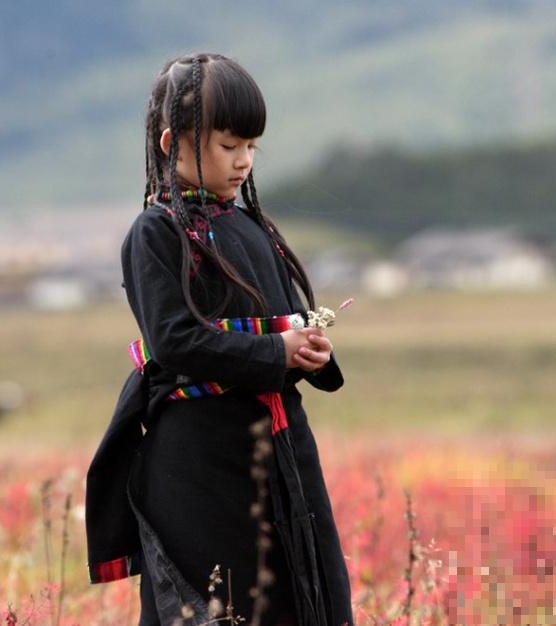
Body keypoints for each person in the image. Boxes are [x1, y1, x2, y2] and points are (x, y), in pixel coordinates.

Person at [84, 52, 354, 626]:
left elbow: (285, 321)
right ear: (171, 144)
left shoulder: (252, 226)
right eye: (229, 145)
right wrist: (275, 352)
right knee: (216, 605)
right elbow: (175, 340)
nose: (244, 161)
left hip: (281, 446)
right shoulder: (156, 233)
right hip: (200, 463)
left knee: (307, 592)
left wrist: (309, 352)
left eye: (251, 146)